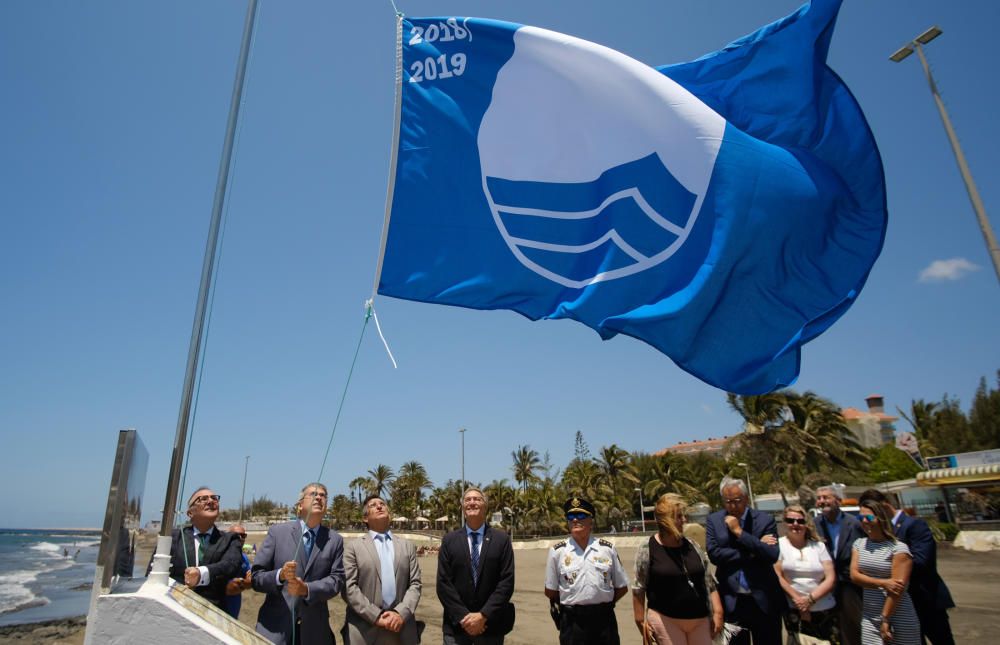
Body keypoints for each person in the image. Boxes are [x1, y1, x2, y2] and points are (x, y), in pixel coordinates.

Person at [251, 482, 345, 644]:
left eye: (323, 496)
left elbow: (336, 580)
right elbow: (256, 577)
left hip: (315, 631)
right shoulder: (277, 533)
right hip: (275, 628)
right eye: (313, 494)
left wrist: (307, 589)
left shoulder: (335, 540)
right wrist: (280, 575)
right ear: (300, 506)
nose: (319, 498)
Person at [859, 489, 955, 645]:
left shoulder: (914, 525)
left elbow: (922, 560)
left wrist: (887, 566)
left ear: (884, 505)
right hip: (899, 605)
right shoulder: (876, 533)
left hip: (924, 599)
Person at [632, 493, 722, 645]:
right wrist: (640, 621)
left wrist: (718, 612)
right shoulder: (648, 548)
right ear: (666, 521)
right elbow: (638, 587)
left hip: (699, 619)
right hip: (666, 619)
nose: (684, 520)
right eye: (679, 517)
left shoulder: (693, 546)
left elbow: (709, 581)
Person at [705, 476, 782, 645]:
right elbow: (715, 555)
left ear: (746, 498)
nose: (733, 506)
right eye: (728, 501)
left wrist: (739, 532)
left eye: (737, 501)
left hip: (764, 600)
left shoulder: (764, 520)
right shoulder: (714, 521)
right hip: (732, 601)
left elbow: (771, 554)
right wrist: (753, 551)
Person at [545, 496, 629, 645]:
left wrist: (603, 603)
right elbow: (550, 591)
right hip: (572, 623)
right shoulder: (557, 552)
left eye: (581, 515)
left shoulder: (607, 549)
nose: (575, 520)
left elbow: (621, 586)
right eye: (571, 516)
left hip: (604, 621)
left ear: (591, 521)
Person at [437, 487, 515, 644]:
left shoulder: (502, 540)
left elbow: (506, 582)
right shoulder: (449, 540)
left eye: (477, 499)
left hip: (490, 628)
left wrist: (483, 616)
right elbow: (443, 583)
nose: (472, 502)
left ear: (485, 506)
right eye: (468, 500)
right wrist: (464, 618)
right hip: (456, 628)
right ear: (463, 508)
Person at [342, 494, 422, 644]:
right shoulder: (353, 547)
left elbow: (415, 584)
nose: (379, 506)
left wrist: (400, 614)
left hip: (401, 629)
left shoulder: (407, 546)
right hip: (364, 631)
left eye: (382, 504)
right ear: (365, 518)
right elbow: (349, 588)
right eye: (373, 505)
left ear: (389, 514)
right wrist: (376, 616)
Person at [850, 497, 920, 645]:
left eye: (868, 517)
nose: (864, 521)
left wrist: (885, 618)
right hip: (869, 616)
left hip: (898, 615)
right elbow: (854, 576)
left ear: (880, 518)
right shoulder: (859, 544)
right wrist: (883, 582)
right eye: (860, 517)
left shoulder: (899, 548)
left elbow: (897, 589)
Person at [163, 487, 243, 609]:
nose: (211, 501)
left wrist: (201, 574)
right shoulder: (173, 537)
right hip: (173, 607)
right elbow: (154, 573)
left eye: (214, 498)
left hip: (212, 613)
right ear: (190, 513)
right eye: (203, 499)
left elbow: (230, 565)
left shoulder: (230, 539)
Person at [774, 505, 837, 644]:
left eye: (800, 521)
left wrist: (809, 600)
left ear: (806, 524)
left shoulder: (818, 546)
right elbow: (777, 575)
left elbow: (830, 577)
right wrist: (799, 602)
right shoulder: (779, 545)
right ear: (784, 523)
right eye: (791, 520)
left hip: (823, 609)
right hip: (794, 610)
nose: (795, 524)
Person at [814, 484, 865, 645]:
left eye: (826, 497)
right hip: (825, 584)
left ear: (838, 500)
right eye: (819, 498)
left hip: (849, 583)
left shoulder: (854, 524)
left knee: (854, 625)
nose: (822, 501)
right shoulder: (814, 524)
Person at [224, 523, 253, 619]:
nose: (240, 538)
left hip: (235, 605)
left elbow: (249, 578)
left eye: (243, 535)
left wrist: (245, 582)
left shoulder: (244, 557)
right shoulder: (219, 554)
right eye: (236, 535)